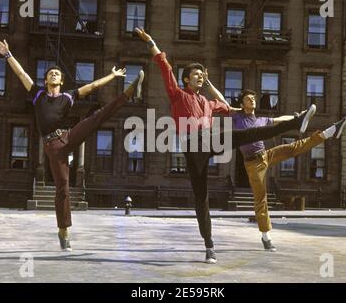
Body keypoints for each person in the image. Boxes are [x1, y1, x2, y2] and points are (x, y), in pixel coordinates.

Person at [134, 28, 316, 264]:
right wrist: (151, 41)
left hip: (210, 139)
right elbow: (164, 66)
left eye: (202, 74)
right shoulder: (177, 94)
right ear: (186, 79)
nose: (199, 76)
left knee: (248, 133)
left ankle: (296, 122)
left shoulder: (208, 103)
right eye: (196, 74)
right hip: (193, 148)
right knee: (202, 198)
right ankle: (209, 246)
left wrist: (287, 117)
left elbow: (227, 106)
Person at [0, 40, 144, 251]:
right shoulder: (38, 94)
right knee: (63, 187)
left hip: (68, 135)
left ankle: (128, 94)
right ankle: (63, 231)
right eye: (50, 74)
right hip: (52, 146)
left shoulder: (68, 96)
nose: (54, 75)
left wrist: (112, 76)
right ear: (46, 80)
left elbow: (92, 86)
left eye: (57, 74)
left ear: (62, 81)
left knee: (96, 118)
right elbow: (21, 75)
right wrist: (8, 54)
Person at [232, 90, 346, 251]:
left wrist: (297, 119)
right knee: (261, 199)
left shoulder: (261, 119)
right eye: (248, 99)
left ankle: (329, 132)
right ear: (241, 104)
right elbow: (221, 102)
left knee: (293, 148)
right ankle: (266, 237)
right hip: (253, 164)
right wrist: (208, 84)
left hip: (265, 155)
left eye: (253, 98)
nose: (252, 100)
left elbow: (279, 120)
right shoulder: (237, 118)